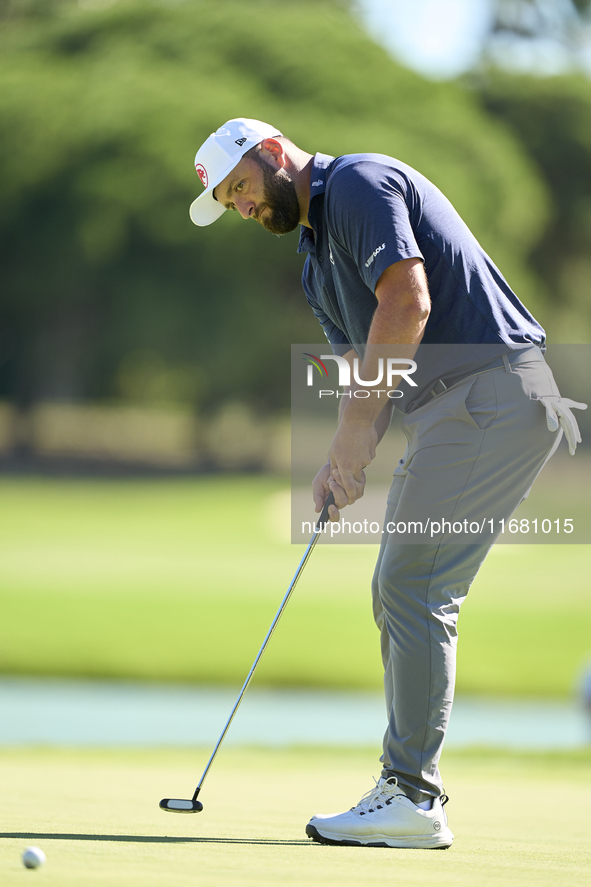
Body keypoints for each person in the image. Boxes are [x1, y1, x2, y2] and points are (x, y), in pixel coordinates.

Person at [189, 118, 586, 848]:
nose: (243, 208)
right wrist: (342, 458)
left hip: (489, 391)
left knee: (412, 584)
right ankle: (408, 789)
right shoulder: (313, 264)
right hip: (450, 409)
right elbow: (362, 376)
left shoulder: (358, 184)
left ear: (274, 155)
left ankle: (411, 794)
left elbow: (407, 305)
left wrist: (352, 435)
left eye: (241, 187)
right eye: (230, 202)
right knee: (399, 585)